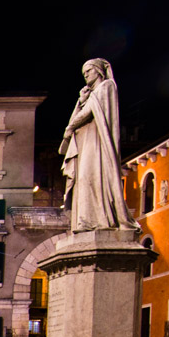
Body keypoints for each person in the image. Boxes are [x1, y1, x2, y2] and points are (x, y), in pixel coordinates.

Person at [59, 58, 138, 233]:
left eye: (88, 70)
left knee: (92, 177)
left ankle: (98, 219)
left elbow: (88, 113)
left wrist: (71, 126)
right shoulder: (90, 95)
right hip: (85, 143)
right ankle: (86, 220)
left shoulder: (107, 86)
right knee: (84, 179)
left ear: (99, 71)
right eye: (83, 73)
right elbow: (80, 112)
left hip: (97, 145)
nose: (86, 75)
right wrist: (81, 100)